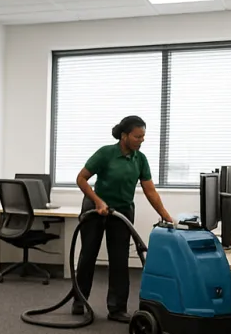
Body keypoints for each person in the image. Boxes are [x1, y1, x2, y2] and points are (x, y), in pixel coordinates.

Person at [73, 115, 173, 322]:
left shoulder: (140, 159)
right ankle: (79, 300)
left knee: (119, 259)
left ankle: (117, 308)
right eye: (138, 136)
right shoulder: (105, 153)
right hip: (96, 208)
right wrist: (98, 201)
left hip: (122, 212)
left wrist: (165, 214)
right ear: (125, 136)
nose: (141, 140)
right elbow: (81, 179)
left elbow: (150, 190)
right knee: (88, 255)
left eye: (143, 137)